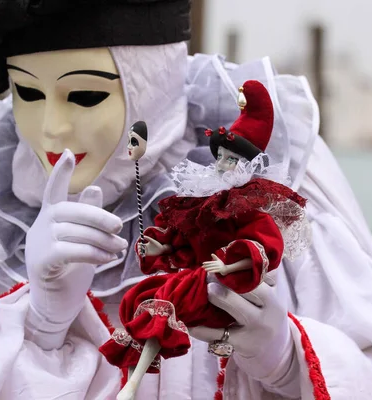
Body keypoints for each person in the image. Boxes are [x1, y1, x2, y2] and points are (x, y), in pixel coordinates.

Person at [0, 1, 372, 399]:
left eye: (86, 94)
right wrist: (39, 323)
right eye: (27, 94)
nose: (52, 129)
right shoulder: (0, 221)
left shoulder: (265, 179)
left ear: (147, 83)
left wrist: (286, 356)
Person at [100, 80, 314, 400]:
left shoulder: (246, 210)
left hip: (217, 285)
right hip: (197, 278)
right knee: (138, 297)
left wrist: (229, 267)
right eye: (222, 157)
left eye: (231, 159)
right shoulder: (204, 202)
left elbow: (264, 248)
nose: (222, 165)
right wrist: (162, 247)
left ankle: (133, 384)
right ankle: (130, 378)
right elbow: (184, 242)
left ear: (247, 165)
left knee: (167, 300)